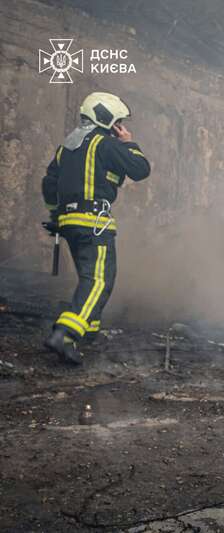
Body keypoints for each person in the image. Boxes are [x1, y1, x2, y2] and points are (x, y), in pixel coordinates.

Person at [42, 91, 151, 365]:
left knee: (90, 279)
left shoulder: (66, 147)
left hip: (69, 223)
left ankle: (87, 333)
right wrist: (129, 143)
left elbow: (49, 183)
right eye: (117, 122)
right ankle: (64, 333)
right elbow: (141, 169)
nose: (118, 127)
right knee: (99, 281)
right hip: (94, 224)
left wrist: (55, 214)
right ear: (106, 118)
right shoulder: (107, 144)